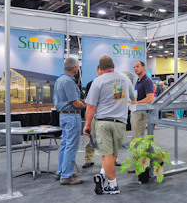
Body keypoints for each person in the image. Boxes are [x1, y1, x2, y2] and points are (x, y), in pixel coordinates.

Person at [84, 55, 136, 195]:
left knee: (106, 154)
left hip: (103, 122)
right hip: (121, 122)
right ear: (113, 67)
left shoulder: (98, 81)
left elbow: (91, 106)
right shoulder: (125, 78)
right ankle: (102, 175)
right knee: (113, 154)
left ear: (100, 68)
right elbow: (133, 98)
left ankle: (113, 185)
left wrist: (87, 125)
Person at [54, 57, 87, 185]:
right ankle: (66, 176)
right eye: (77, 66)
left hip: (63, 116)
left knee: (65, 144)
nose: (78, 69)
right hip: (72, 117)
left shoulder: (59, 80)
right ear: (74, 68)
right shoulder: (68, 81)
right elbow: (76, 103)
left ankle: (61, 171)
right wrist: (86, 104)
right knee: (71, 146)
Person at [82, 66, 103, 168]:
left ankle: (113, 158)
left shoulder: (108, 83)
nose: (102, 72)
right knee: (91, 137)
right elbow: (88, 101)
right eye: (100, 70)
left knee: (109, 138)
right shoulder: (91, 84)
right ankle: (89, 159)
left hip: (105, 114)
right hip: (94, 114)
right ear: (97, 70)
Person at [131, 61, 154, 140]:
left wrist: (137, 102)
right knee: (135, 136)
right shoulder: (138, 81)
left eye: (137, 66)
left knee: (138, 136)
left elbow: (150, 99)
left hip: (141, 112)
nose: (135, 69)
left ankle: (139, 148)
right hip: (136, 111)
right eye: (134, 67)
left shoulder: (147, 81)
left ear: (143, 67)